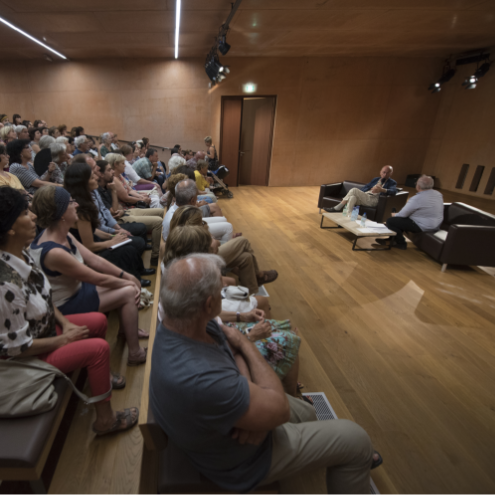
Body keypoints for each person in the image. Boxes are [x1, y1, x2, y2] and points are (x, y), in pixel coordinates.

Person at [150, 253, 379, 495]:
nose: (222, 293)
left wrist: (255, 415)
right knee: (357, 441)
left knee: (308, 412)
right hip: (241, 463)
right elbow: (277, 406)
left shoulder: (182, 323)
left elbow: (230, 352)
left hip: (225, 432)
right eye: (219, 292)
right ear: (208, 304)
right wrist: (245, 343)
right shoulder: (198, 376)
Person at [0, 186, 139, 435]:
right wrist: (63, 338)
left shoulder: (20, 252)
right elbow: (17, 349)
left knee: (98, 321)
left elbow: (44, 296)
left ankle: (100, 378)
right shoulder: (4, 285)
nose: (32, 216)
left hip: (43, 331)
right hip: (26, 357)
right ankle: (105, 421)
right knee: (99, 349)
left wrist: (64, 322)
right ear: (10, 228)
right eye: (24, 213)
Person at [162, 225, 301, 395]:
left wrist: (242, 317)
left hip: (225, 345)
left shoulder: (182, 292)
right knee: (290, 339)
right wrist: (248, 338)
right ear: (208, 303)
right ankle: (292, 393)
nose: (223, 287)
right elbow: (218, 358)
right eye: (218, 289)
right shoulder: (196, 355)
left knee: (276, 328)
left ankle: (289, 382)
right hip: (231, 363)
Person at [64, 162, 152, 285]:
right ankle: (133, 280)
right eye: (91, 176)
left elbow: (93, 230)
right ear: (82, 183)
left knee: (128, 243)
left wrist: (114, 234)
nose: (96, 177)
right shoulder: (81, 209)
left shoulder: (87, 198)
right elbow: (88, 246)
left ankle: (137, 273)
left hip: (97, 242)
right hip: (88, 255)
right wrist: (111, 242)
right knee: (128, 250)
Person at [168, 206, 278, 295]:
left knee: (246, 257)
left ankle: (251, 294)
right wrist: (208, 234)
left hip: (205, 258)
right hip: (205, 262)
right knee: (243, 241)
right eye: (200, 221)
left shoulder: (178, 234)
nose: (202, 222)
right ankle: (258, 275)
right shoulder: (193, 235)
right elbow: (215, 245)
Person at [100, 155, 163, 266]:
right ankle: (155, 256)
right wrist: (141, 200)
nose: (125, 165)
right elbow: (124, 199)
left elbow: (129, 191)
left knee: (161, 211)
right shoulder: (113, 181)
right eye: (123, 163)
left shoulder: (117, 178)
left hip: (123, 210)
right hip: (126, 210)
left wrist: (142, 197)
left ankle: (156, 246)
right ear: (115, 165)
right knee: (158, 221)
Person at [376, 175, 443, 250]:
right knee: (399, 220)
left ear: (418, 186)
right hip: (435, 224)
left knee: (391, 221)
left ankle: (401, 243)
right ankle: (392, 240)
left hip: (422, 226)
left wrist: (395, 215)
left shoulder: (417, 199)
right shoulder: (438, 194)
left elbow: (402, 215)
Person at [163, 179, 233, 244]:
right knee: (228, 227)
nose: (197, 198)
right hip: (186, 243)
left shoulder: (178, 208)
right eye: (197, 196)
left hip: (186, 234)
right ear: (192, 200)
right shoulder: (179, 218)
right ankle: (223, 249)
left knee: (223, 220)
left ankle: (224, 241)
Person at [324, 165, 397, 213]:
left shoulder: (392, 182)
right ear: (380, 172)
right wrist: (368, 190)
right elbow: (365, 187)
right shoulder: (376, 179)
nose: (385, 174)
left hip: (373, 200)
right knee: (352, 197)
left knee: (354, 190)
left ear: (391, 173)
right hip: (366, 196)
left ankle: (337, 207)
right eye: (384, 172)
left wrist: (382, 190)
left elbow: (394, 191)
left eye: (387, 173)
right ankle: (347, 217)